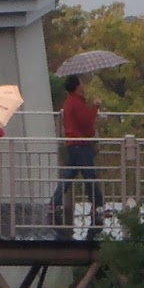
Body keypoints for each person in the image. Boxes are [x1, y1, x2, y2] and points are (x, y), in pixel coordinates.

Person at [51, 76, 104, 227]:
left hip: (73, 144)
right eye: (81, 83)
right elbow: (86, 123)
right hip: (81, 145)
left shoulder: (69, 102)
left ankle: (54, 202)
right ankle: (97, 205)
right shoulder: (76, 103)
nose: (83, 86)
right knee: (90, 175)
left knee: (69, 175)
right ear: (76, 87)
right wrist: (95, 107)